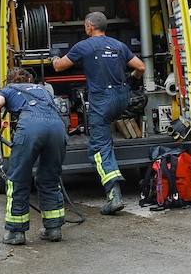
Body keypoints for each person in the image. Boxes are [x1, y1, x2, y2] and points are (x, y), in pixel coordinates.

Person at [53, 12, 145, 215]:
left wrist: (53, 58)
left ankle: (114, 196)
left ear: (88, 26)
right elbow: (141, 66)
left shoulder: (83, 46)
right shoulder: (118, 45)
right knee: (107, 128)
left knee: (99, 148)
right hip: (123, 99)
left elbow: (59, 67)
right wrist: (131, 78)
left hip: (102, 101)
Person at [0, 67, 66, 244]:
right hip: (57, 129)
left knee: (18, 179)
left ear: (9, 81)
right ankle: (53, 229)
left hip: (30, 129)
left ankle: (16, 233)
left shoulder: (8, 90)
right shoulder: (43, 90)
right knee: (50, 178)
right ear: (29, 80)